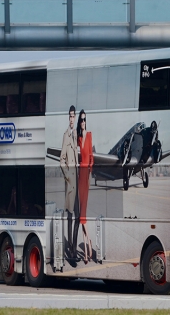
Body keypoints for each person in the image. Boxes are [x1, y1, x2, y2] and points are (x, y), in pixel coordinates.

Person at [60, 105, 79, 260]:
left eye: (74, 116)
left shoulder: (76, 135)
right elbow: (61, 160)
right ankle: (71, 250)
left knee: (78, 216)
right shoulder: (66, 135)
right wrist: (68, 177)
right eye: (70, 116)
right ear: (68, 118)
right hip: (71, 182)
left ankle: (73, 245)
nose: (72, 119)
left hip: (78, 181)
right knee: (71, 216)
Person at [77, 109, 94, 263]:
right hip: (79, 176)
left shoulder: (89, 135)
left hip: (85, 176)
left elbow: (91, 157)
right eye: (81, 120)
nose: (83, 122)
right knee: (81, 215)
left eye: (84, 119)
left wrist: (89, 171)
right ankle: (87, 254)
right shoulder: (79, 138)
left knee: (83, 214)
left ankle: (89, 244)